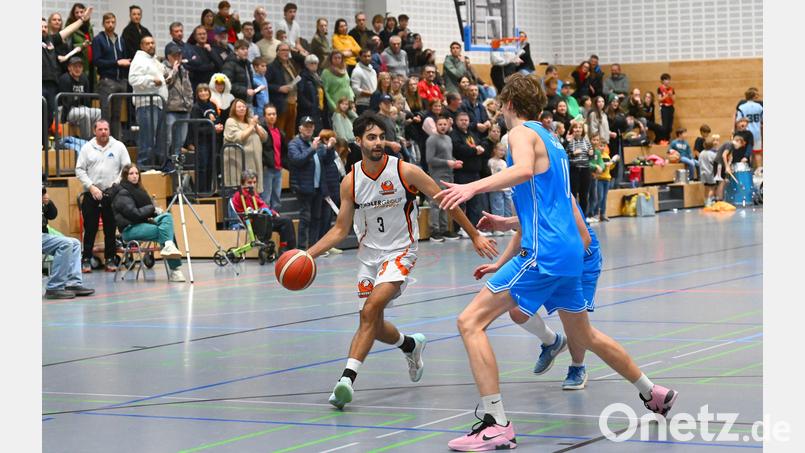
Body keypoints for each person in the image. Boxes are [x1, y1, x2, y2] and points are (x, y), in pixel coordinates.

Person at [435, 74, 677, 451]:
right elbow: (557, 204)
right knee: (585, 337)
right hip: (567, 252)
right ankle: (652, 391)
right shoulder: (554, 141)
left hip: (544, 251)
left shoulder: (520, 133)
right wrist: (508, 222)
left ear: (509, 104)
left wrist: (472, 186)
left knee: (469, 322)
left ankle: (496, 423)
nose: (497, 112)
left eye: (499, 105)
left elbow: (523, 172)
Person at [302, 112, 497, 410]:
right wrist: (307, 254)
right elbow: (340, 229)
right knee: (374, 324)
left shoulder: (406, 172)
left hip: (401, 252)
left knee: (369, 310)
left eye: (381, 136)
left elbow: (444, 200)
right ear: (359, 141)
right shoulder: (350, 182)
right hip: (369, 258)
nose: (378, 142)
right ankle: (410, 344)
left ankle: (346, 380)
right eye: (371, 137)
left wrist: (474, 235)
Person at [109, 164, 185, 282]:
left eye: (136, 173)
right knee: (166, 232)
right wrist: (152, 209)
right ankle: (175, 270)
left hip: (143, 223)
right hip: (130, 229)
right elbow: (135, 214)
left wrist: (155, 212)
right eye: (131, 174)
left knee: (167, 217)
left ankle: (169, 247)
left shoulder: (139, 190)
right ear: (125, 176)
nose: (135, 176)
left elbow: (143, 213)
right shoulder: (121, 193)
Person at [76, 119, 131, 273]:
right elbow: (79, 170)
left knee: (110, 228)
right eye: (100, 129)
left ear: (109, 130)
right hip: (91, 193)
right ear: (95, 131)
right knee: (90, 228)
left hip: (111, 194)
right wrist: (91, 187)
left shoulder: (119, 146)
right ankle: (86, 259)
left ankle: (110, 259)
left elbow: (126, 167)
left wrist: (115, 184)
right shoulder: (87, 148)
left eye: (106, 129)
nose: (103, 132)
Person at [287, 117, 337, 249]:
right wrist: (312, 149)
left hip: (318, 187)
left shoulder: (316, 143)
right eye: (306, 126)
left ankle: (313, 247)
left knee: (316, 218)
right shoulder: (294, 144)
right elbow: (297, 160)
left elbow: (327, 160)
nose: (309, 129)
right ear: (300, 128)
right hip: (304, 187)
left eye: (311, 127)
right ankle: (303, 247)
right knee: (305, 218)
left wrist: (330, 148)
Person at [43, 6, 93, 129]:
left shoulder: (51, 40)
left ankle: (44, 144)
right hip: (40, 82)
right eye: (40, 27)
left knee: (49, 116)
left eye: (45, 27)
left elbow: (68, 30)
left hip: (52, 83)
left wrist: (82, 20)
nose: (43, 29)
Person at [42, 187, 95, 299]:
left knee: (75, 243)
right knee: (65, 244)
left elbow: (52, 215)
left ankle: (73, 284)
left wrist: (47, 203)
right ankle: (54, 287)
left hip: (43, 235)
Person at [231, 169, 297, 255]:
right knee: (286, 221)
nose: (253, 185)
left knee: (284, 223)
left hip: (260, 219)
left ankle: (285, 248)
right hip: (254, 222)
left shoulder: (251, 193)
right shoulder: (242, 195)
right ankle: (288, 249)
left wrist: (273, 213)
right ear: (243, 183)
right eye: (249, 182)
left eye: (254, 182)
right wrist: (271, 213)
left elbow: (262, 205)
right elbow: (254, 210)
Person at [128, 35, 168, 168]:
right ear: (142, 46)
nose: (151, 45)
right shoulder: (139, 60)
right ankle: (143, 167)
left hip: (159, 103)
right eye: (147, 43)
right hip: (146, 104)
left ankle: (157, 166)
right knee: (147, 139)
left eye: (152, 43)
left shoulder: (154, 61)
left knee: (160, 140)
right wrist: (151, 80)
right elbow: (133, 79)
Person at [92, 12, 129, 139]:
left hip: (120, 80)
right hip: (107, 80)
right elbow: (96, 61)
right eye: (108, 22)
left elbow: (124, 58)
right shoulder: (98, 39)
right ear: (103, 24)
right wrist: (117, 63)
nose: (110, 25)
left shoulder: (120, 40)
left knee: (117, 115)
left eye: (113, 22)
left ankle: (116, 142)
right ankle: (104, 140)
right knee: (105, 114)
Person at [451, 111, 487, 231]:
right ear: (456, 121)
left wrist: (480, 148)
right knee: (461, 202)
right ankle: (460, 229)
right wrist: (474, 151)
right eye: (461, 120)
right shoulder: (454, 134)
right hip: (462, 172)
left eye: (466, 120)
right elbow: (458, 149)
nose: (464, 122)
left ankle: (474, 228)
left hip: (475, 172)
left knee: (475, 203)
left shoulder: (472, 133)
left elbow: (480, 144)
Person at [186, 83, 223, 193]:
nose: (203, 93)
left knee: (211, 166)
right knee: (202, 167)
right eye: (200, 91)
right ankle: (201, 192)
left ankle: (209, 190)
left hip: (212, 141)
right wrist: (212, 128)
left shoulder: (212, 105)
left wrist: (219, 126)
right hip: (201, 142)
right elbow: (196, 128)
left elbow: (216, 120)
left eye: (205, 90)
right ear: (197, 94)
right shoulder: (196, 108)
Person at [224, 98, 266, 192]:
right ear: (234, 109)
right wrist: (251, 126)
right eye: (239, 107)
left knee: (254, 195)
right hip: (238, 164)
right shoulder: (231, 121)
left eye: (244, 107)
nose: (242, 108)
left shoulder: (250, 120)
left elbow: (264, 137)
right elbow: (238, 137)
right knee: (240, 195)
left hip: (254, 162)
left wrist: (255, 126)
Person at [58, 56, 101, 140]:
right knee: (84, 114)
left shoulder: (84, 78)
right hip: (65, 110)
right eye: (75, 66)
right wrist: (63, 120)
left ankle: (95, 139)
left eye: (80, 67)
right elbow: (66, 102)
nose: (78, 69)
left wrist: (85, 108)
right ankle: (87, 141)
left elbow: (87, 99)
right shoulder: (65, 79)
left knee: (98, 112)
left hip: (79, 108)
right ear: (69, 68)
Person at [163, 43, 193, 156]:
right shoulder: (163, 68)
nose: (178, 58)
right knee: (168, 140)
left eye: (179, 55)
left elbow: (188, 88)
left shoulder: (183, 69)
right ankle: (165, 163)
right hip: (170, 109)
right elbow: (166, 83)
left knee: (180, 141)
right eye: (174, 55)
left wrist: (190, 103)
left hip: (184, 109)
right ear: (168, 56)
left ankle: (176, 165)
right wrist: (174, 71)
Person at [266, 43, 300, 140]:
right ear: (277, 52)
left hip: (293, 102)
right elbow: (265, 84)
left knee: (291, 131)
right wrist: (279, 88)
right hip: (281, 103)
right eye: (283, 50)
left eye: (287, 50)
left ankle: (289, 153)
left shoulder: (291, 64)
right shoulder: (272, 66)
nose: (285, 52)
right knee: (280, 131)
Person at [259, 104, 288, 210]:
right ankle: (266, 222)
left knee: (277, 198)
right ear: (264, 116)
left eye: (274, 114)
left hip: (278, 168)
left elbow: (282, 150)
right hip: (267, 168)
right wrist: (264, 163)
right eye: (269, 114)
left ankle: (276, 220)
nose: (272, 116)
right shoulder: (262, 131)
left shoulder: (279, 131)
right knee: (266, 198)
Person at [64, 3, 96, 91]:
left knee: (89, 92)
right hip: (77, 64)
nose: (79, 14)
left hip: (90, 64)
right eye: (76, 12)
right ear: (73, 15)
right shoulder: (70, 27)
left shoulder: (89, 27)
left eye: (81, 12)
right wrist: (81, 46)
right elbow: (68, 46)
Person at [566, 121, 594, 215]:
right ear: (572, 130)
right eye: (576, 127)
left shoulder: (586, 142)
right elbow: (564, 155)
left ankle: (584, 216)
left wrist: (591, 154)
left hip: (585, 170)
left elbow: (592, 157)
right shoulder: (569, 142)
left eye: (580, 128)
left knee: (584, 194)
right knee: (573, 194)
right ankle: (574, 216)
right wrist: (573, 154)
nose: (578, 129)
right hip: (574, 170)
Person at [222, 40, 257, 106]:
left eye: (247, 49)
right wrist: (245, 91)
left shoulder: (247, 64)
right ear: (236, 51)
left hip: (248, 102)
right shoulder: (229, 64)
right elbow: (226, 84)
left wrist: (257, 88)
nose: (246, 51)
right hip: (235, 103)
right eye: (242, 49)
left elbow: (247, 82)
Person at [296, 54, 326, 131]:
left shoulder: (317, 76)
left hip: (318, 108)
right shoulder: (302, 76)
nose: (314, 65)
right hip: (308, 110)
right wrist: (310, 105)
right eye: (311, 63)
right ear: (306, 65)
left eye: (315, 63)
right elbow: (300, 93)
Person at [184, 26, 219, 90]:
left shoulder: (211, 49)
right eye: (199, 34)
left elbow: (219, 65)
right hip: (197, 84)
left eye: (204, 34)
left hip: (211, 84)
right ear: (195, 37)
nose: (202, 36)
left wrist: (210, 51)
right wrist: (210, 66)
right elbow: (193, 66)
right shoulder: (190, 49)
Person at [736, 87, 763, 168]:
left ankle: (749, 172)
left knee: (748, 153)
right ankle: (759, 172)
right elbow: (762, 120)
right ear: (754, 96)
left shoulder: (742, 107)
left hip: (746, 134)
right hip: (757, 133)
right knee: (757, 153)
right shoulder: (759, 107)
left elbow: (738, 121)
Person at [714, 134, 747, 201]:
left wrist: (728, 165)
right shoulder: (729, 144)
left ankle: (720, 199)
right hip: (719, 164)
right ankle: (719, 200)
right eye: (740, 144)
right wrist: (727, 167)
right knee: (721, 182)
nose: (739, 147)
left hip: (722, 164)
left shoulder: (732, 147)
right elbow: (724, 155)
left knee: (723, 182)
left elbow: (730, 157)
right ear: (738, 141)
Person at [591, 137, 617, 221]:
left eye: (604, 146)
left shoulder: (607, 155)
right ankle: (595, 214)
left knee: (604, 197)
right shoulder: (598, 156)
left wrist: (613, 164)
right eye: (600, 146)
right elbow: (600, 165)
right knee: (599, 197)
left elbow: (610, 168)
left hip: (607, 178)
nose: (602, 147)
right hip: (600, 178)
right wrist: (605, 165)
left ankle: (603, 214)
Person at [487, 142, 513, 222]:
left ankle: (508, 226)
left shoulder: (504, 162)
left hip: (507, 189)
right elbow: (491, 175)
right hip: (497, 189)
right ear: (495, 150)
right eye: (500, 150)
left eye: (504, 151)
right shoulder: (491, 161)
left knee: (508, 208)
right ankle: (497, 227)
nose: (502, 152)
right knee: (498, 207)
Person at [351, 48, 377, 115]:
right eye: (365, 56)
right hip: (362, 104)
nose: (367, 58)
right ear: (360, 57)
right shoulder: (357, 71)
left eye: (369, 56)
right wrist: (371, 94)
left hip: (373, 102)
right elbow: (355, 89)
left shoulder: (373, 71)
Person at [698, 134, 720, 205]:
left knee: (706, 188)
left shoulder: (701, 153)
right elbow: (716, 163)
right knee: (712, 188)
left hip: (703, 173)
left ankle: (705, 200)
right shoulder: (712, 154)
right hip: (710, 173)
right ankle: (709, 201)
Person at [657, 73, 675, 144]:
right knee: (665, 125)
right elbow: (659, 99)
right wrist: (667, 95)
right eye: (666, 79)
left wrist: (671, 96)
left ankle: (668, 139)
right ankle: (663, 140)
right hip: (664, 107)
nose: (668, 81)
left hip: (671, 107)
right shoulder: (660, 89)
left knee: (670, 126)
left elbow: (674, 100)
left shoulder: (671, 89)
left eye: (668, 79)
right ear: (662, 81)